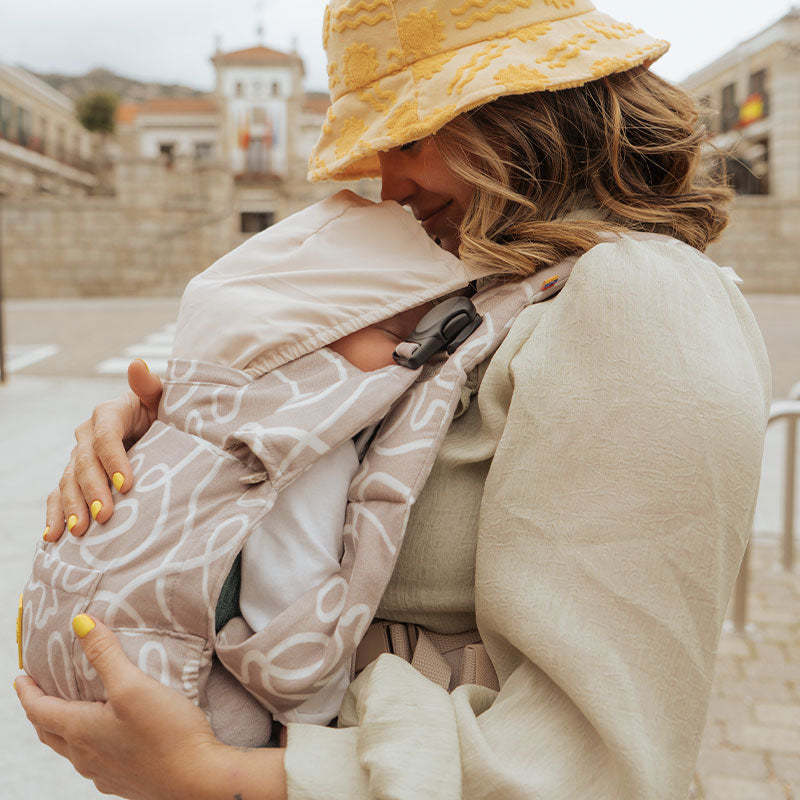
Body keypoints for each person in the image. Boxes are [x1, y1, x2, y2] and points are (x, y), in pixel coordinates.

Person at [16, 1, 771, 798]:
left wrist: (225, 777)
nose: (389, 184)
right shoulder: (501, 289)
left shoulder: (640, 296)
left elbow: (597, 766)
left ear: (529, 113)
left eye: (409, 139)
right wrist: (178, 439)